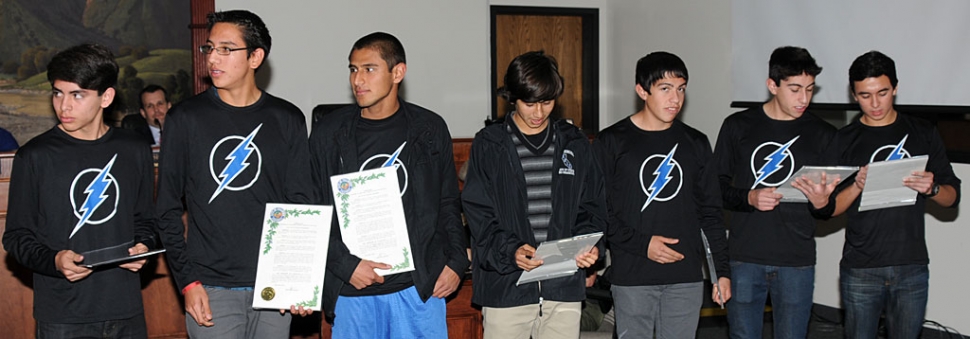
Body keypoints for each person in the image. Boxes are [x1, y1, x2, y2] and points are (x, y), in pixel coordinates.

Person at [155, 10, 313, 338]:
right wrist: (187, 282)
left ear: (256, 56)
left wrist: (300, 279)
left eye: (226, 49)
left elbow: (301, 204)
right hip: (211, 285)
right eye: (210, 48)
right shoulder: (185, 118)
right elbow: (167, 209)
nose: (213, 57)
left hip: (274, 285)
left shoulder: (287, 118)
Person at [308, 32, 469, 338]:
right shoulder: (328, 134)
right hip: (354, 289)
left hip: (419, 287)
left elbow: (448, 201)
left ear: (398, 72)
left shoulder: (429, 128)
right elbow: (312, 210)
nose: (358, 80)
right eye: (353, 69)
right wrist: (345, 266)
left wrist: (457, 262)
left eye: (369, 69)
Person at [2, 43, 157, 338]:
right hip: (63, 315)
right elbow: (16, 237)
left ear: (106, 97)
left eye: (77, 95)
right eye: (58, 93)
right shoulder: (35, 155)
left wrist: (143, 246)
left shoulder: (134, 149)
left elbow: (145, 220)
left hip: (125, 309)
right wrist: (55, 261)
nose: (64, 106)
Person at [462, 51, 606, 339]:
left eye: (547, 102)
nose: (538, 113)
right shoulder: (489, 146)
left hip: (563, 288)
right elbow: (480, 216)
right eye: (529, 103)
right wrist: (511, 251)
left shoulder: (575, 144)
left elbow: (593, 207)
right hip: (506, 287)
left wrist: (590, 246)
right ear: (512, 98)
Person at [593, 51, 729, 338]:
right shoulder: (611, 142)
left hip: (686, 277)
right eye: (665, 89)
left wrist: (721, 272)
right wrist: (643, 245)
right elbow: (599, 213)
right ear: (642, 91)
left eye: (681, 89)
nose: (675, 99)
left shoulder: (696, 142)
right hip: (633, 276)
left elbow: (711, 213)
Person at [828, 51, 960, 339]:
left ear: (896, 88)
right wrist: (857, 185)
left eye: (882, 93)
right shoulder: (844, 139)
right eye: (865, 95)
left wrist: (933, 188)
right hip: (861, 267)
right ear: (853, 94)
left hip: (910, 265)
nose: (875, 103)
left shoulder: (922, 132)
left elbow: (952, 199)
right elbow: (827, 209)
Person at [712, 46, 838, 338]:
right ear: (772, 85)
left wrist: (822, 203)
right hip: (745, 256)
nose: (804, 98)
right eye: (795, 89)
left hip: (797, 258)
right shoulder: (738, 126)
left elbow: (827, 209)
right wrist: (749, 197)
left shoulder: (824, 134)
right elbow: (714, 189)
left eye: (809, 89)